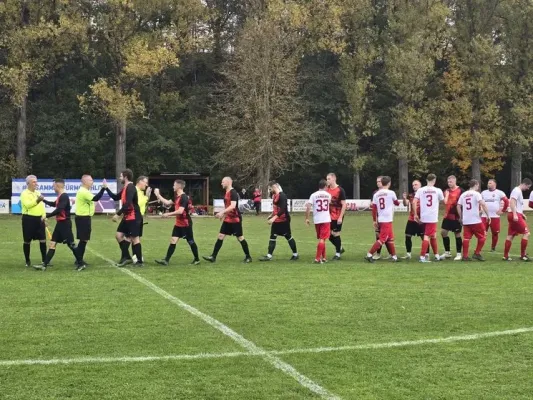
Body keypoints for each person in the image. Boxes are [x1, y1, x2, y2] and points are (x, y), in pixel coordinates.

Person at [33, 179, 83, 271]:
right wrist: (43, 200)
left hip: (65, 224)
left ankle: (81, 263)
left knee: (71, 244)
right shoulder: (60, 196)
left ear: (58, 186)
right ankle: (44, 265)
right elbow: (54, 204)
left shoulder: (64, 196)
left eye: (54, 186)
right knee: (52, 243)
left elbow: (59, 209)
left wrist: (46, 216)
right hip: (60, 224)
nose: (53, 187)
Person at [203, 177, 252, 263]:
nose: (221, 183)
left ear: (228, 182)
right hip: (228, 219)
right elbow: (228, 207)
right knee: (220, 236)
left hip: (235, 219)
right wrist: (224, 215)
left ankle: (248, 257)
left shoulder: (233, 192)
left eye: (223, 182)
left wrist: (221, 212)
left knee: (240, 238)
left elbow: (233, 206)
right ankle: (213, 257)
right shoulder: (227, 192)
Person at [154, 180, 200, 265]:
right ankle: (166, 260)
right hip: (178, 224)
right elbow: (167, 202)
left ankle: (197, 259)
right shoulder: (177, 197)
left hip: (186, 224)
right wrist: (158, 195)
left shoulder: (184, 197)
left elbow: (180, 211)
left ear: (179, 186)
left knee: (190, 241)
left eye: (174, 185)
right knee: (173, 240)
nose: (173, 187)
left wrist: (168, 214)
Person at [105, 169, 143, 267]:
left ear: (126, 177)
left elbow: (128, 203)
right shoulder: (125, 187)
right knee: (118, 235)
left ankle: (139, 262)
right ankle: (127, 257)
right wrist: (106, 188)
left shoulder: (131, 187)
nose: (120, 178)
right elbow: (115, 197)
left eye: (121, 176)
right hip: (127, 216)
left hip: (134, 216)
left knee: (134, 238)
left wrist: (118, 214)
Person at [260, 182, 298, 261]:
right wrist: (272, 215)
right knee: (272, 237)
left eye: (271, 189)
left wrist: (273, 218)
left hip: (284, 220)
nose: (270, 191)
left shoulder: (282, 196)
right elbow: (276, 208)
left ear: (275, 187)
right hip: (277, 220)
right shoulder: (274, 196)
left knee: (288, 236)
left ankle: (295, 254)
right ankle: (269, 255)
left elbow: (283, 209)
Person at [74, 175, 106, 269]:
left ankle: (79, 259)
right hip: (82, 218)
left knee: (84, 239)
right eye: (90, 180)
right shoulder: (83, 191)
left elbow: (93, 201)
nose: (92, 182)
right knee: (83, 239)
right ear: (85, 181)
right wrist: (103, 188)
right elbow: (95, 198)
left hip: (85, 218)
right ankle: (79, 259)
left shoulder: (86, 191)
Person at [365, 176, 399, 263]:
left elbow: (374, 208)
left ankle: (394, 256)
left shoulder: (376, 194)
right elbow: (397, 203)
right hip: (387, 219)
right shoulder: (391, 193)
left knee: (390, 238)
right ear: (389, 183)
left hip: (381, 218)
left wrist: (374, 220)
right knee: (383, 239)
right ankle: (369, 254)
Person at [413, 174, 445, 263]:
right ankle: (422, 257)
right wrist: (447, 196)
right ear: (434, 180)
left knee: (433, 235)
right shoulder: (438, 190)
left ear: (426, 180)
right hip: (432, 216)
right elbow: (444, 201)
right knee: (427, 236)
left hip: (424, 216)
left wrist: (415, 214)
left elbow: (414, 201)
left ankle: (436, 255)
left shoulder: (421, 190)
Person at [457, 179, 491, 261]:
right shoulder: (476, 194)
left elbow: (458, 206)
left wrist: (461, 217)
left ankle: (465, 256)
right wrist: (488, 215)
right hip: (475, 220)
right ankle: (477, 253)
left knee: (466, 238)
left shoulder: (463, 194)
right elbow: (483, 204)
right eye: (478, 185)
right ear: (475, 185)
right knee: (483, 236)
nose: (478, 187)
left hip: (466, 220)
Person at [503, 178, 532, 261]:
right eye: (528, 187)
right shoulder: (517, 190)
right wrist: (515, 214)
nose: (528, 189)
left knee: (511, 235)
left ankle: (505, 256)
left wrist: (521, 214)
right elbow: (512, 202)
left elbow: (517, 205)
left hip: (513, 214)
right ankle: (523, 255)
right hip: (514, 214)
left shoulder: (518, 191)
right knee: (527, 233)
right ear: (525, 184)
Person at [20, 175, 47, 267]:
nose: (36, 183)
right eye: (34, 182)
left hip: (39, 219)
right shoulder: (24, 193)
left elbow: (42, 207)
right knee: (27, 241)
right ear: (28, 183)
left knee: (43, 240)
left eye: (36, 181)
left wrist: (44, 217)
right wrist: (37, 200)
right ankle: (27, 261)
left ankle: (44, 260)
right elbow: (28, 205)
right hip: (28, 219)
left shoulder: (38, 192)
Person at [305, 179, 332, 264]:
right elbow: (329, 205)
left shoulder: (313, 195)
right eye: (327, 186)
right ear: (324, 186)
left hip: (317, 219)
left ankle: (324, 257)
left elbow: (308, 207)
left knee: (322, 239)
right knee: (322, 239)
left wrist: (307, 218)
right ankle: (317, 258)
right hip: (326, 219)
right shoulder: (328, 195)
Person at [481, 179, 509, 252]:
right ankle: (479, 248)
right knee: (482, 233)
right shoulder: (483, 193)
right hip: (484, 216)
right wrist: (479, 210)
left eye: (490, 183)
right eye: (488, 183)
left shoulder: (499, 193)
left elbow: (506, 201)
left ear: (495, 184)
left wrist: (502, 210)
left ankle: (493, 248)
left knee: (495, 233)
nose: (488, 184)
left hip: (495, 217)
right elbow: (479, 202)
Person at [441, 175, 463, 261]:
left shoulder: (460, 190)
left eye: (451, 182)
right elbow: (444, 202)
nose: (449, 183)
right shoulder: (446, 191)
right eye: (448, 182)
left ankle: (458, 254)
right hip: (447, 215)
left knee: (457, 233)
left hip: (456, 216)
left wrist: (462, 215)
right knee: (443, 232)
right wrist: (446, 195)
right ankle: (447, 252)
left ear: (455, 181)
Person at [401, 179, 425, 259]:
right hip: (412, 218)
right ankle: (408, 254)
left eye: (416, 184)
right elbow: (405, 204)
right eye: (413, 185)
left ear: (420, 185)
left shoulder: (424, 194)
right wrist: (404, 198)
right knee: (407, 236)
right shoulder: (411, 195)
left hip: (422, 219)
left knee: (424, 237)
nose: (414, 186)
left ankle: (426, 253)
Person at [326, 173, 346, 260]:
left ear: (334, 179)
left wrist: (340, 217)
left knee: (336, 234)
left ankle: (337, 253)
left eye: (329, 179)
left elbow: (344, 204)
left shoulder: (340, 190)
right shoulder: (326, 190)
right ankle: (340, 248)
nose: (327, 181)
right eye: (327, 179)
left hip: (337, 216)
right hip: (328, 216)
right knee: (327, 234)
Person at [130, 176, 150, 263]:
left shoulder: (140, 192)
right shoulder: (135, 191)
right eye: (145, 182)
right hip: (134, 217)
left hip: (139, 217)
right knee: (134, 238)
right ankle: (138, 259)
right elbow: (138, 203)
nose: (146, 184)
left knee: (135, 238)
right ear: (140, 181)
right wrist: (147, 196)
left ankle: (136, 257)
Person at [372, 176, 385, 260]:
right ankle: (378, 253)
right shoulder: (375, 193)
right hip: (378, 218)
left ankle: (392, 254)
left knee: (386, 236)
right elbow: (373, 206)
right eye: (377, 181)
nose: (378, 183)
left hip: (386, 218)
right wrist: (374, 220)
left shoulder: (389, 192)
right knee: (378, 235)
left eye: (379, 181)